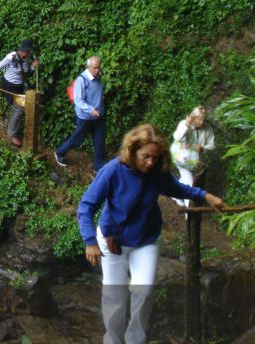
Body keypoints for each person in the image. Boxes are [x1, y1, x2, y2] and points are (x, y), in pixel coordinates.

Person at [77, 124, 224, 344]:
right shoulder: (112, 171)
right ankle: (113, 340)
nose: (150, 162)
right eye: (145, 156)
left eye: (155, 158)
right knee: (115, 295)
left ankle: (135, 339)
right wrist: (90, 242)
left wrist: (206, 196)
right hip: (112, 239)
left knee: (143, 292)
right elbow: (86, 207)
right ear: (132, 151)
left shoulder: (157, 173)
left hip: (146, 239)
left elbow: (179, 188)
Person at [0, 39, 39, 147]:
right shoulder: (11, 57)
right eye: (26, 51)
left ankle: (17, 132)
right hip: (8, 87)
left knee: (26, 107)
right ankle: (11, 135)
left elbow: (25, 74)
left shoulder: (27, 59)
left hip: (19, 87)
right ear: (21, 50)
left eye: (29, 51)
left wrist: (32, 66)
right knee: (19, 108)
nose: (28, 53)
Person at [55, 55, 105, 172]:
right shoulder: (81, 80)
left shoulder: (98, 77)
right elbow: (78, 100)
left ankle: (99, 166)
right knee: (77, 139)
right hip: (85, 117)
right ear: (88, 67)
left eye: (99, 68)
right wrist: (90, 109)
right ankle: (59, 152)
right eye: (95, 68)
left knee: (99, 141)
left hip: (99, 116)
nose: (97, 70)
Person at [170, 106, 215, 207]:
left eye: (203, 119)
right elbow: (177, 137)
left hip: (196, 163)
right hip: (181, 160)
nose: (202, 122)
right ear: (193, 117)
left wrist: (203, 148)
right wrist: (186, 125)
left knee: (185, 179)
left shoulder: (208, 128)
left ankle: (176, 195)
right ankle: (188, 213)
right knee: (190, 184)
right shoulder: (184, 124)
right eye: (199, 119)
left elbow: (212, 145)